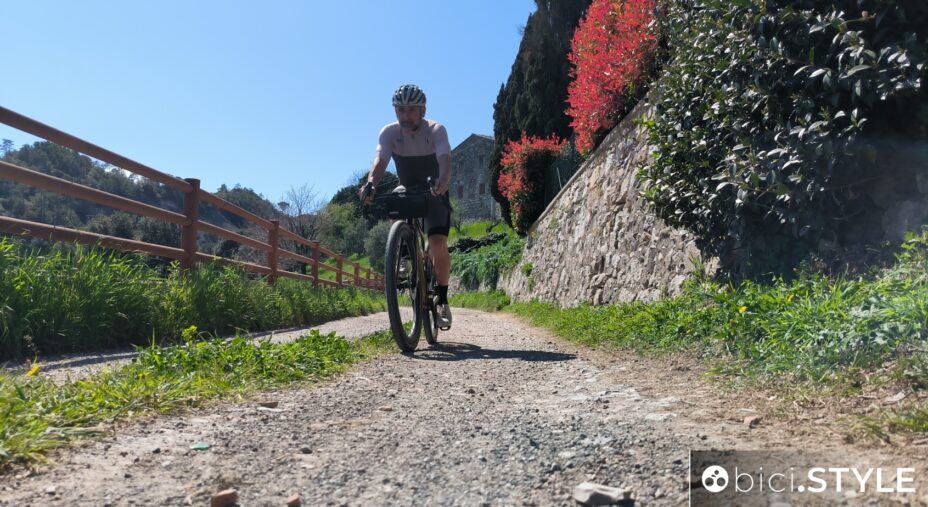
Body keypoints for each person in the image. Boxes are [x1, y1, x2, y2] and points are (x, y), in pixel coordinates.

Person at [359, 84, 453, 329]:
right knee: (395, 199)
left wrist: (443, 180)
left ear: (422, 110)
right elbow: (380, 158)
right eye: (401, 110)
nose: (405, 115)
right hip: (409, 188)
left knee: (437, 242)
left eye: (411, 110)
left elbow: (444, 157)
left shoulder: (435, 130)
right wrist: (371, 183)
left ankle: (442, 301)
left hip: (434, 189)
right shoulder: (389, 133)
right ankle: (404, 254)